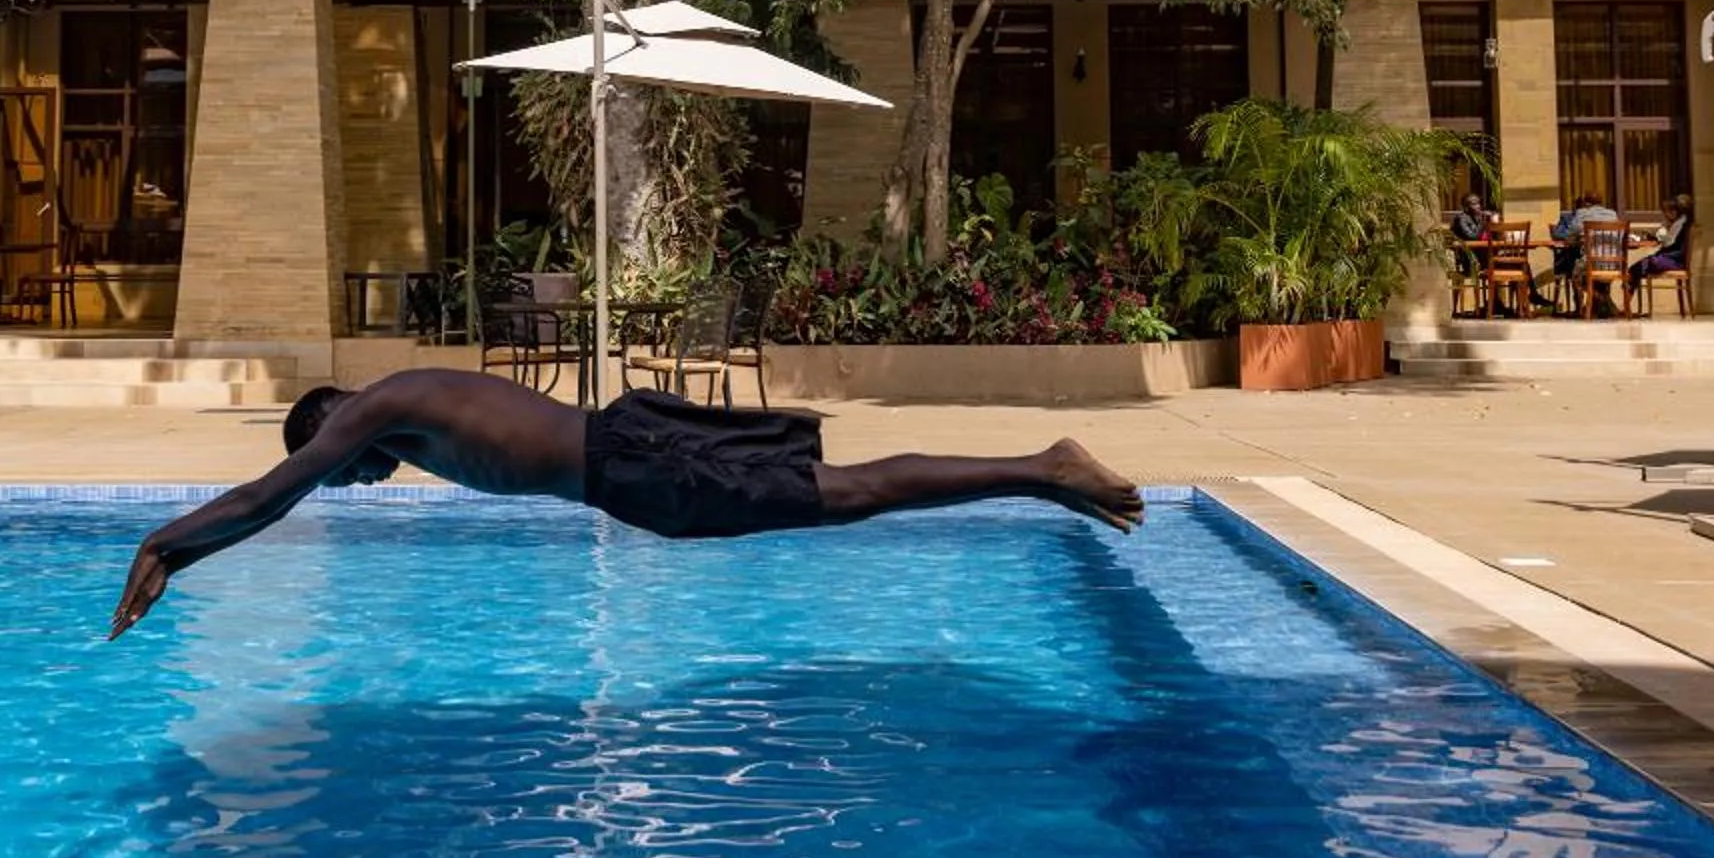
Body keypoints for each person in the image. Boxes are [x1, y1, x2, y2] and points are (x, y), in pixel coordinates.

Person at [106, 369, 1147, 638]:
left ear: (332, 427)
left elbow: (268, 494)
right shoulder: (405, 406)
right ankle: (1037, 473)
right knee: (848, 497)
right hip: (633, 467)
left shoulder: (372, 409)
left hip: (638, 463)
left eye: (340, 466)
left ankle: (1044, 468)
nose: (352, 481)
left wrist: (168, 543)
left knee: (852, 493)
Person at [1627, 193, 1694, 288]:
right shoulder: (1679, 222)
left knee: (1641, 266)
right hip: (1671, 258)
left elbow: (1668, 242)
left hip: (1674, 261)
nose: (1666, 215)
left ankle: (1627, 297)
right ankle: (1627, 295)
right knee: (1636, 268)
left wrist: (1662, 232)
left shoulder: (1680, 224)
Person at [1446, 192, 1491, 279]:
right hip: (1468, 259)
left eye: (1478, 203)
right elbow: (1473, 237)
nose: (1478, 206)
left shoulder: (1476, 217)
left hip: (1479, 255)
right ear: (1466, 207)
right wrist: (1483, 223)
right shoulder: (1461, 219)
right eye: (1474, 204)